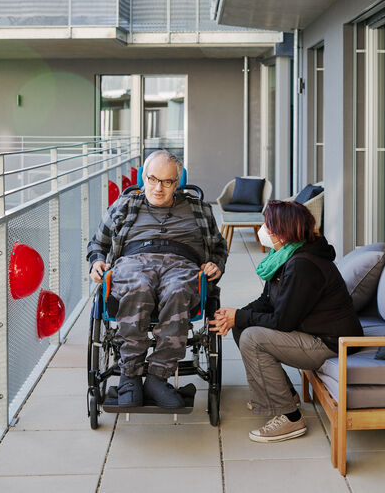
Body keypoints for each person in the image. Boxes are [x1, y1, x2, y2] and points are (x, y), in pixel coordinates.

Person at [209, 200, 362, 442]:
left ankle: (290, 417)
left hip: (329, 342)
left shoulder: (303, 265)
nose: (264, 230)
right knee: (242, 325)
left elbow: (283, 321)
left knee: (252, 337)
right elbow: (267, 301)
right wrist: (234, 315)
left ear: (283, 231)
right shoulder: (286, 255)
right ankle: (283, 396)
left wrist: (239, 316)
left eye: (268, 226)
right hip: (311, 331)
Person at [87, 150, 228, 409]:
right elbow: (98, 243)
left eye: (167, 182)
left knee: (178, 291)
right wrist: (97, 261)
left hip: (181, 264)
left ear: (177, 182)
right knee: (138, 286)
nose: (158, 188)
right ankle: (129, 376)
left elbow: (219, 248)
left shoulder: (199, 209)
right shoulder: (125, 205)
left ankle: (157, 377)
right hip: (133, 262)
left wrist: (215, 265)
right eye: (152, 179)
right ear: (143, 177)